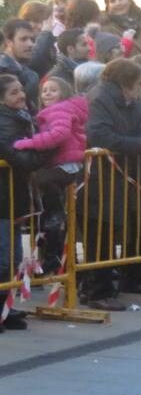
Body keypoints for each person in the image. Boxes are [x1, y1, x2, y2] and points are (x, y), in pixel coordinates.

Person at [82, 58, 141, 310]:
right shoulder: (101, 99)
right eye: (138, 83)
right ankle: (97, 291)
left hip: (122, 178)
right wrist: (137, 145)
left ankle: (123, 281)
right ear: (126, 84)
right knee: (100, 234)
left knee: (120, 230)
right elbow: (99, 135)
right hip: (100, 178)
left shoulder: (132, 103)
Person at [12, 76, 87, 278]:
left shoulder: (60, 110)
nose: (47, 94)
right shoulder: (52, 111)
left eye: (53, 90)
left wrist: (28, 143)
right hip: (62, 163)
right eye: (44, 90)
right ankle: (51, 253)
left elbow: (58, 135)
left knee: (42, 181)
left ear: (64, 92)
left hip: (66, 164)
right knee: (44, 196)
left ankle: (56, 215)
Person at [0, 74, 46, 330]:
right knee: (3, 257)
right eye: (13, 93)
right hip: (3, 195)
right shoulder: (5, 121)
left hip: (13, 195)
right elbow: (17, 155)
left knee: (14, 255)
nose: (21, 96)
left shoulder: (22, 117)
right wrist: (46, 154)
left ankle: (5, 305)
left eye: (21, 90)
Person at [1, 20, 43, 109]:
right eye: (23, 39)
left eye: (32, 39)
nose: (30, 44)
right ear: (9, 42)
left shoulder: (28, 71)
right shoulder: (2, 70)